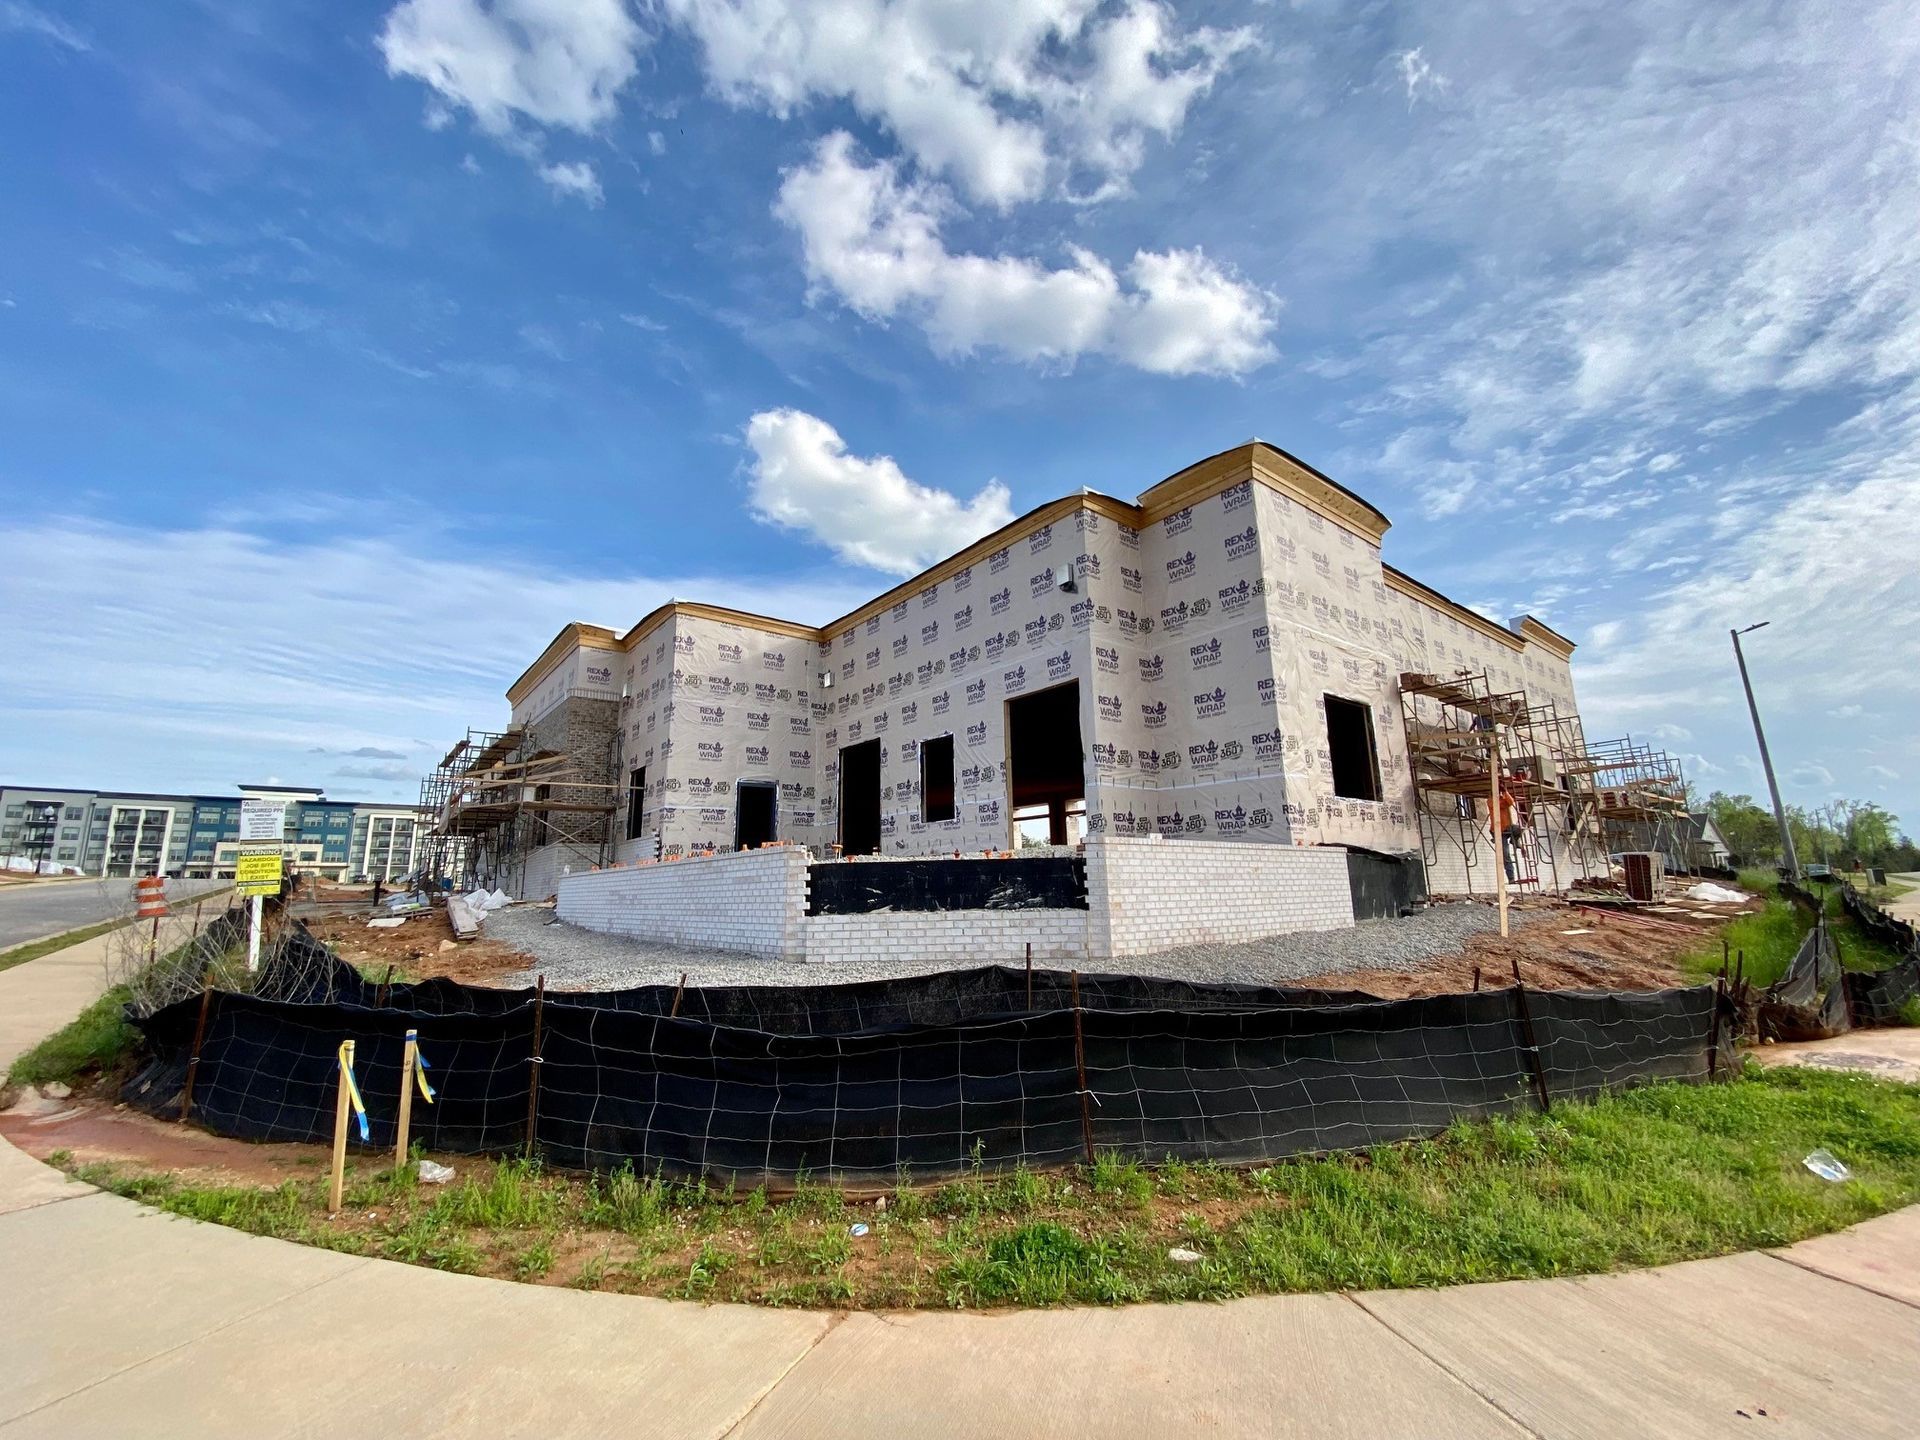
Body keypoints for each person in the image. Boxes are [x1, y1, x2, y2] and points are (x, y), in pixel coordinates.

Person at [1498, 785, 1526, 883]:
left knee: (1519, 828)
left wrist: (1505, 791)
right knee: (1506, 854)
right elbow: (1498, 804)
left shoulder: (1504, 800)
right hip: (1497, 830)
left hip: (1507, 827)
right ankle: (1511, 877)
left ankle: (1515, 842)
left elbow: (1511, 801)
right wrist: (1502, 797)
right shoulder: (1491, 801)